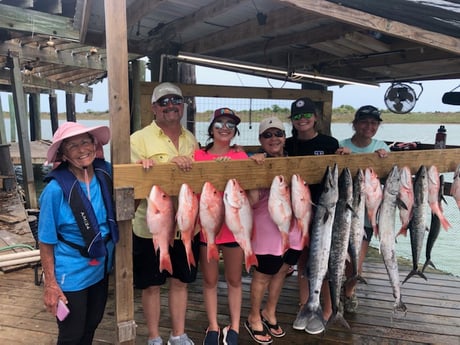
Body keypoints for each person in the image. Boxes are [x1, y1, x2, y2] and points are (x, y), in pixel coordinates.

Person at [130, 82, 199, 345]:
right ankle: (154, 337)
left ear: (182, 105)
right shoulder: (137, 139)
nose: (170, 105)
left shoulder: (190, 139)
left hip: (184, 226)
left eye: (176, 100)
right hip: (150, 227)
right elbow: (131, 179)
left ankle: (178, 334)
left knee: (181, 281)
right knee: (151, 285)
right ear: (154, 108)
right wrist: (156, 168)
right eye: (164, 102)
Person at [38, 121, 119, 345]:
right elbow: (45, 240)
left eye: (85, 142)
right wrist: (51, 284)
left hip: (100, 267)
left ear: (95, 144)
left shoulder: (107, 173)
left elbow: (132, 195)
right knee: (71, 333)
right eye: (73, 146)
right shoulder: (54, 191)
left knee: (92, 323)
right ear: (63, 153)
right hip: (70, 273)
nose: (82, 149)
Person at [245, 117, 303, 344]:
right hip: (266, 229)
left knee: (282, 270)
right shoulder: (254, 161)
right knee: (263, 275)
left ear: (285, 137)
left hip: (293, 229)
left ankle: (270, 311)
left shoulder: (294, 161)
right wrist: (254, 164)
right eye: (267, 135)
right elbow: (249, 198)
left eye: (277, 133)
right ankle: (253, 316)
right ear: (260, 139)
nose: (273, 139)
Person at [284, 97, 339, 335]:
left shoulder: (329, 142)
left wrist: (344, 154)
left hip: (325, 209)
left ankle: (326, 310)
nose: (302, 120)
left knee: (323, 260)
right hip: (299, 210)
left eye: (306, 115)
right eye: (297, 117)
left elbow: (341, 166)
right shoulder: (287, 144)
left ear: (316, 117)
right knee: (303, 260)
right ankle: (304, 305)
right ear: (292, 121)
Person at [194, 107, 248, 345]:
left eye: (230, 124)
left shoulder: (240, 156)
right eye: (219, 124)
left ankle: (234, 326)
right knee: (210, 280)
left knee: (235, 280)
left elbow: (249, 188)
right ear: (211, 128)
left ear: (235, 131)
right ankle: (213, 326)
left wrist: (256, 161)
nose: (224, 128)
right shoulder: (198, 155)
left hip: (234, 229)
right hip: (208, 229)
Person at [336, 105, 389, 313]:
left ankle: (349, 293)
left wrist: (384, 158)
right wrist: (343, 156)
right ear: (355, 124)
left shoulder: (382, 146)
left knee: (356, 261)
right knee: (340, 258)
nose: (369, 126)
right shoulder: (341, 145)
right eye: (365, 122)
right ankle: (335, 290)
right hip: (343, 214)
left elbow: (389, 176)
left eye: (374, 123)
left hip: (367, 217)